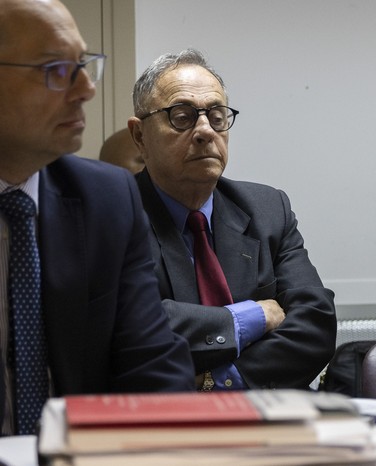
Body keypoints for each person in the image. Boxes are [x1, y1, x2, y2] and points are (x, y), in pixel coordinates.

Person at [0, 0, 195, 436]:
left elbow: (154, 367)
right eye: (55, 69)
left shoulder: (105, 198)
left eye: (83, 65)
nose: (87, 88)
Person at [127, 49, 337, 391]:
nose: (205, 131)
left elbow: (316, 324)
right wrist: (255, 316)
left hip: (267, 416)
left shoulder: (267, 208)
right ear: (140, 136)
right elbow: (135, 325)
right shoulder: (115, 213)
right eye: (182, 116)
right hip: (160, 419)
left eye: (217, 115)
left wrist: (218, 382)